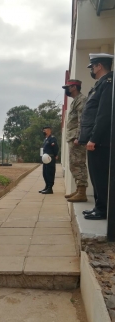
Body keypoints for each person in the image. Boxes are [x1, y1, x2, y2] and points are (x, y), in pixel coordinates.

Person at [79, 53, 114, 220]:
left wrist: (94, 138)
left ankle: (103, 210)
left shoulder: (108, 83)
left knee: (100, 177)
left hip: (101, 141)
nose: (91, 70)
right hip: (96, 141)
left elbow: (103, 115)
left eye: (92, 67)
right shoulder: (100, 84)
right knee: (95, 175)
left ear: (99, 65)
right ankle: (99, 206)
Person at [62, 80, 88, 202]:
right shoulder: (75, 101)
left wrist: (79, 137)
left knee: (78, 164)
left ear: (74, 87)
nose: (66, 90)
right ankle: (79, 189)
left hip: (76, 138)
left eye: (68, 87)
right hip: (72, 137)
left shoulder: (81, 99)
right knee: (74, 164)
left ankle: (82, 192)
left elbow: (81, 120)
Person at [39, 126, 59, 194]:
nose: (44, 132)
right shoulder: (45, 139)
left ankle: (50, 188)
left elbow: (55, 148)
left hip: (50, 158)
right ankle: (46, 186)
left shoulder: (52, 139)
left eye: (45, 130)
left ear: (49, 131)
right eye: (43, 130)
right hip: (45, 159)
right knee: (45, 173)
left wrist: (56, 155)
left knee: (50, 173)